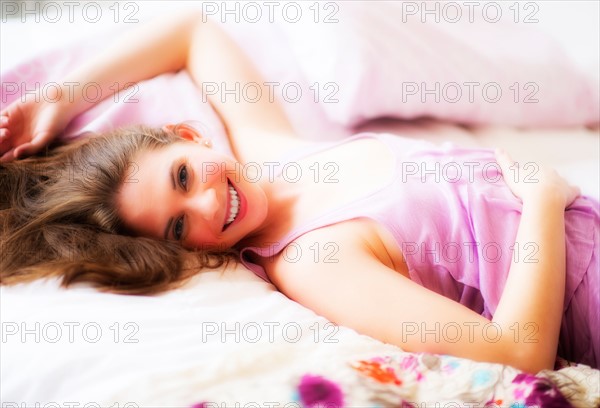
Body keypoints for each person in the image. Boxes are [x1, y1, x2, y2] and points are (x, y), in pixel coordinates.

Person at [1, 10, 597, 374]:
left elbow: (193, 29)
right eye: (179, 227)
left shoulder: (266, 148)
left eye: (183, 175)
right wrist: (542, 203)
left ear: (186, 135)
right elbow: (514, 355)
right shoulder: (312, 262)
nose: (208, 204)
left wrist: (65, 97)